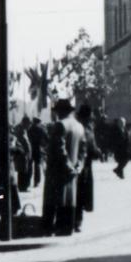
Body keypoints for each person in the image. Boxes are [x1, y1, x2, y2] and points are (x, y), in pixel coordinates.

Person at [42, 97, 85, 235]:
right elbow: (83, 150)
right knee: (69, 199)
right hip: (72, 170)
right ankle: (67, 227)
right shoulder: (79, 126)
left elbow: (59, 149)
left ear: (59, 111)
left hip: (57, 170)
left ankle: (49, 228)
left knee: (53, 199)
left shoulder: (60, 125)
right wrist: (78, 166)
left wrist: (68, 166)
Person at [74, 104, 101, 232]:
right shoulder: (87, 129)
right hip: (83, 166)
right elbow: (92, 147)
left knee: (78, 194)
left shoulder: (79, 126)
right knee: (80, 194)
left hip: (81, 164)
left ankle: (76, 220)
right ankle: (77, 221)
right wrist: (97, 152)